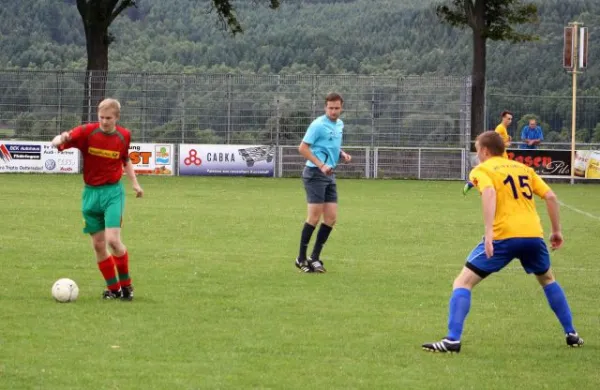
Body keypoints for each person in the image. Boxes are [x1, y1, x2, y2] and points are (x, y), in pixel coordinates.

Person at [422, 131, 583, 353]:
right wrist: (557, 231)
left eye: (478, 150)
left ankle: (452, 340)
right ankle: (572, 333)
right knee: (547, 279)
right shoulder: (523, 169)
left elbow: (489, 192)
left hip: (503, 236)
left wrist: (489, 233)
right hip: (533, 236)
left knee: (462, 283)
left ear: (485, 151)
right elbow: (551, 197)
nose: (477, 155)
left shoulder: (482, 169)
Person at [51, 98, 143, 301]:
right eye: (101, 117)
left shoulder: (123, 135)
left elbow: (125, 159)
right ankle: (114, 289)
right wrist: (61, 138)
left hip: (112, 193)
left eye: (109, 118)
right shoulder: (86, 132)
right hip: (90, 195)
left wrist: (135, 183)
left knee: (113, 241)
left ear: (116, 118)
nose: (104, 121)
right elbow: (57, 142)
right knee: (99, 246)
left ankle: (127, 286)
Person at [295, 92, 351, 273]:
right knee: (314, 217)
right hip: (315, 173)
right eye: (330, 108)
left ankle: (315, 257)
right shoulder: (318, 125)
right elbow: (302, 148)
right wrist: (321, 165)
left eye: (337, 108)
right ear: (325, 107)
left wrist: (342, 154)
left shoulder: (339, 124)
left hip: (329, 174)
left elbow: (329, 145)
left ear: (341, 107)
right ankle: (301, 258)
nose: (334, 111)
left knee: (331, 218)